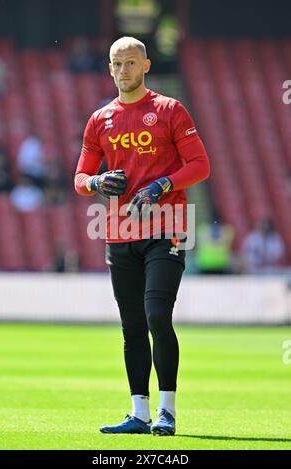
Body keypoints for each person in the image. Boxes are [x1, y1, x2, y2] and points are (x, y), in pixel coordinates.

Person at [74, 36, 210, 436]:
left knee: (155, 315)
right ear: (109, 68)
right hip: (119, 232)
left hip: (169, 226)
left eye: (131, 62)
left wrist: (161, 185)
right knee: (132, 325)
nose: (124, 70)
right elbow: (80, 178)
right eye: (117, 64)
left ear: (146, 66)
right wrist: (98, 180)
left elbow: (200, 165)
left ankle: (167, 410)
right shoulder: (100, 119)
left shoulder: (170, 109)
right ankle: (138, 413)